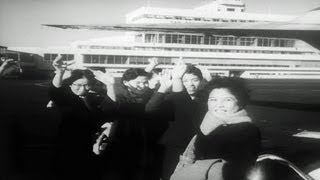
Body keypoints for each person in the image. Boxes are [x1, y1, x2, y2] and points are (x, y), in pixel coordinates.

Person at [48, 55, 116, 180]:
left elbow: (110, 109)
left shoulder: (95, 98)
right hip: (68, 143)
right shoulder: (67, 99)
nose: (82, 89)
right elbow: (54, 91)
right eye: (78, 85)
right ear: (70, 84)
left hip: (91, 142)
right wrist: (60, 72)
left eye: (87, 85)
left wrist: (110, 86)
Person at [146, 61, 209, 180]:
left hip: (199, 147)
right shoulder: (171, 98)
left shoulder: (208, 100)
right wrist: (163, 87)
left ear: (201, 80)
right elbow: (151, 108)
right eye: (185, 80)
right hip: (173, 148)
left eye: (194, 80)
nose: (190, 84)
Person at [193, 77, 261, 180]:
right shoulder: (207, 123)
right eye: (213, 100)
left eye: (227, 100)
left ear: (240, 103)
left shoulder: (247, 130)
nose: (219, 105)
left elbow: (237, 169)